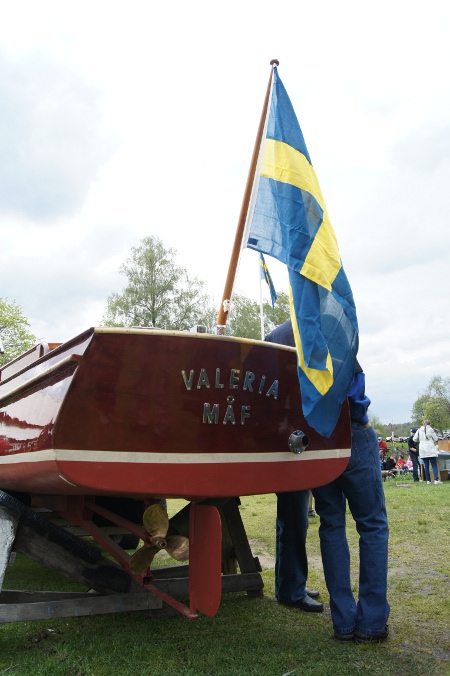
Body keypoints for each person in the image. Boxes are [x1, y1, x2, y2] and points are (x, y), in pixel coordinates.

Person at [312, 358, 390, 643]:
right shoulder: (333, 323)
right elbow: (353, 385)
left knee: (331, 523)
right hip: (350, 429)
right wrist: (362, 417)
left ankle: (343, 622)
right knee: (372, 525)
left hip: (314, 438)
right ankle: (370, 623)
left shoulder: (278, 336)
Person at [264, 321, 323, 613]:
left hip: (292, 435)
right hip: (295, 439)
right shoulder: (295, 333)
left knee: (294, 517)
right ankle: (290, 589)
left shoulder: (275, 336)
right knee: (295, 517)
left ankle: (292, 583)